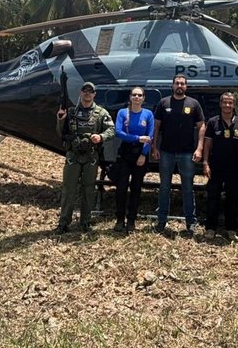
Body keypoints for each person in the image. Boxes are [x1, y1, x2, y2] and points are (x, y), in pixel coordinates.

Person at [55, 81, 115, 234]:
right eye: (85, 91)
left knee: (88, 189)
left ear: (94, 94)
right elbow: (60, 133)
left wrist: (100, 137)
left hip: (91, 156)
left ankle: (85, 222)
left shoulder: (101, 113)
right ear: (80, 93)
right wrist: (61, 119)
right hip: (73, 155)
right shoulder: (70, 112)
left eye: (90, 91)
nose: (87, 94)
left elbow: (111, 130)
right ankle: (64, 223)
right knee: (68, 189)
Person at [151, 75, 205, 235]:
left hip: (187, 153)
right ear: (172, 85)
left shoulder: (194, 104)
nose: (179, 86)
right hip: (166, 152)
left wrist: (199, 148)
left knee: (188, 188)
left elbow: (202, 126)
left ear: (186, 86)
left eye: (182, 83)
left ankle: (190, 223)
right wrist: (154, 147)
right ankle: (161, 221)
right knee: (164, 187)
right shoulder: (163, 103)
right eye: (177, 83)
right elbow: (156, 126)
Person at [202, 92, 238, 239]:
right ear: (220, 104)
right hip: (215, 166)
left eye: (230, 103)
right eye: (225, 102)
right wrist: (205, 163)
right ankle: (210, 228)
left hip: (233, 167)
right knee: (213, 198)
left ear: (234, 105)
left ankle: (231, 229)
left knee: (232, 198)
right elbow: (207, 144)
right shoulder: (212, 122)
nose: (227, 105)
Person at [113, 87, 155, 233]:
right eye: (134, 95)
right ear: (130, 97)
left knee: (136, 188)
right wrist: (137, 138)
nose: (137, 97)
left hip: (140, 154)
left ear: (144, 98)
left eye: (140, 95)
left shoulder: (148, 114)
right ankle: (120, 219)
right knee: (121, 188)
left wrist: (143, 154)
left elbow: (150, 137)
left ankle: (131, 220)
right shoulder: (122, 113)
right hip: (125, 153)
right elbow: (118, 132)